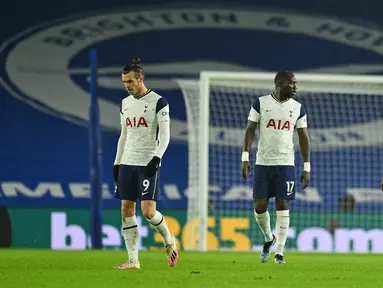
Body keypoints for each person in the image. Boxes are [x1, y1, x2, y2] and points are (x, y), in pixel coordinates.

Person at [113, 58, 178, 270]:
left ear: (141, 78)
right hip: (127, 162)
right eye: (124, 82)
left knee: (148, 212)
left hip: (147, 162)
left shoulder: (159, 102)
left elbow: (166, 135)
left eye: (130, 81)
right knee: (126, 209)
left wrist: (157, 157)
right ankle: (133, 260)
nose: (127, 86)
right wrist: (117, 163)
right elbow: (124, 135)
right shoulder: (125, 103)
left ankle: (169, 240)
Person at [241, 70, 311, 264]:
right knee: (259, 206)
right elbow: (250, 129)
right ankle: (268, 238)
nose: (295, 87)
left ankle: (280, 252)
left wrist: (307, 167)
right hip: (263, 163)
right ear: (280, 84)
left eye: (296, 83)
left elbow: (304, 137)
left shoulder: (298, 108)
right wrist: (245, 157)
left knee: (283, 204)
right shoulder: (261, 103)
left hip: (286, 163)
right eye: (292, 83)